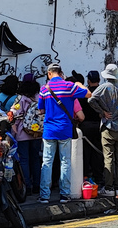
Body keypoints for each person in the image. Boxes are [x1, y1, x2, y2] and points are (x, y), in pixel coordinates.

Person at [36, 63, 89, 204]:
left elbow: (41, 111)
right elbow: (88, 94)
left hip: (49, 130)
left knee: (47, 162)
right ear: (60, 73)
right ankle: (64, 195)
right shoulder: (69, 86)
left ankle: (44, 196)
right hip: (65, 129)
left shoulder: (44, 89)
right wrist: (78, 83)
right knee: (65, 161)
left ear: (49, 74)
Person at [89, 64, 118, 197]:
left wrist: (102, 112)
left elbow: (91, 99)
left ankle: (109, 187)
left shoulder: (104, 87)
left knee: (108, 158)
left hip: (108, 125)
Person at [9, 78, 43, 196]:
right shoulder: (40, 97)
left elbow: (13, 114)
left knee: (24, 160)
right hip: (37, 134)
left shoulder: (21, 99)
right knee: (36, 159)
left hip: (23, 134)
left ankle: (27, 186)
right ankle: (37, 186)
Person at [78, 71, 104, 186]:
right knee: (98, 152)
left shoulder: (84, 93)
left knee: (85, 152)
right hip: (99, 124)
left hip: (86, 125)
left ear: (88, 80)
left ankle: (86, 176)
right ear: (99, 80)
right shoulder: (102, 92)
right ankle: (99, 177)